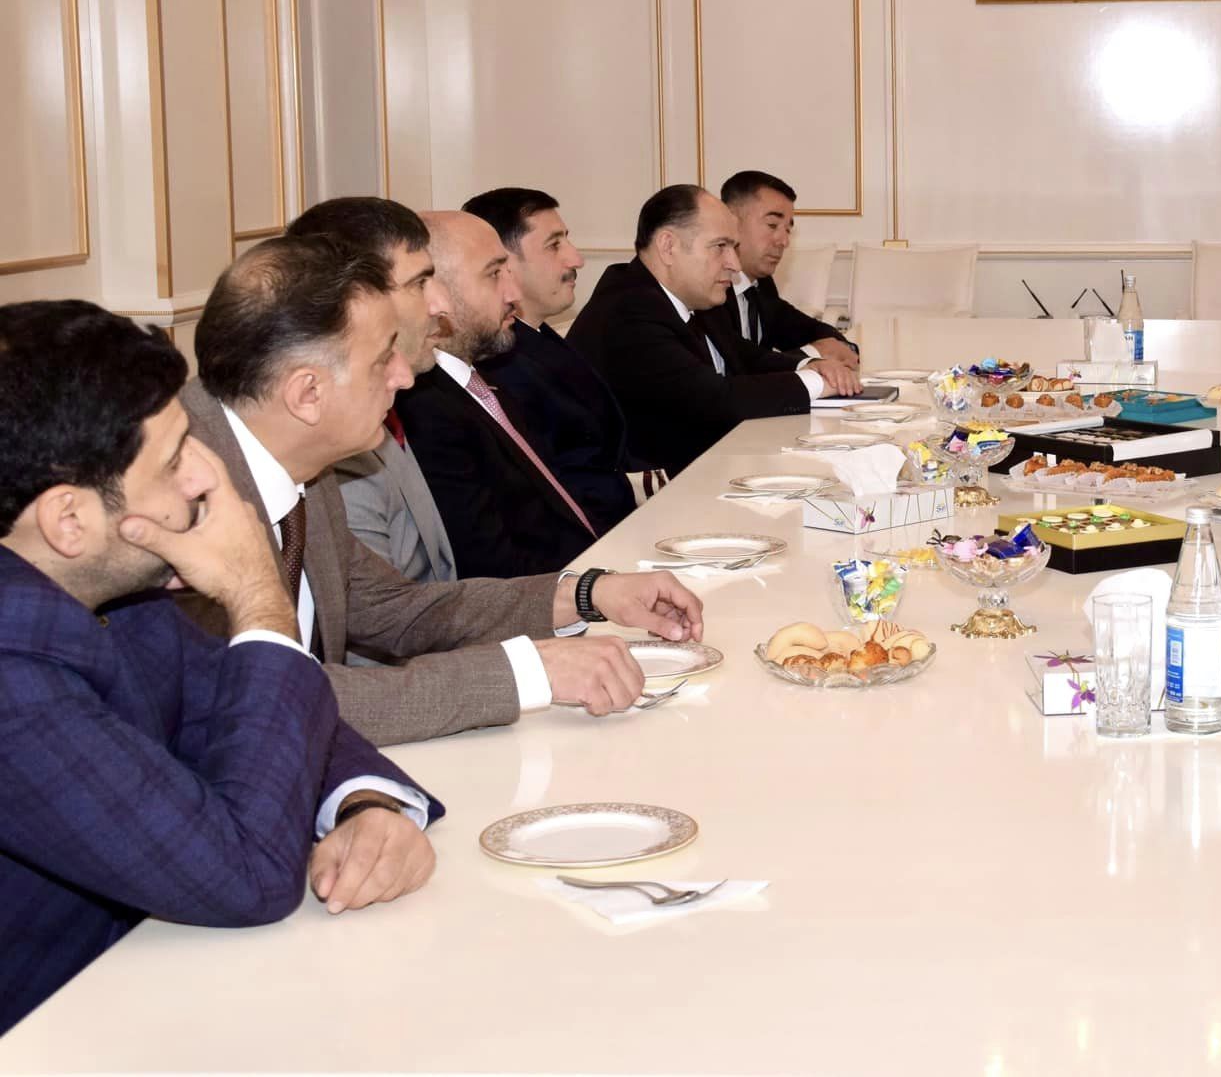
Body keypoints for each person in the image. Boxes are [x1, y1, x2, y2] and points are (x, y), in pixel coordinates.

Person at [0, 301, 439, 1033]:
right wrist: (257, 595)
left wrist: (364, 805)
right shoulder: (13, 684)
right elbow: (247, 877)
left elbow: (257, 709)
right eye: (176, 460)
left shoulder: (113, 590)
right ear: (68, 521)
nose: (208, 479)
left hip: (157, 983)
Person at [179, 235, 706, 745]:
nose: (405, 377)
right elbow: (268, 700)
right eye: (383, 358)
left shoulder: (291, 452)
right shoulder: (177, 497)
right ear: (307, 394)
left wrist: (587, 594)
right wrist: (527, 671)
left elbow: (393, 608)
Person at [568, 185, 863, 473]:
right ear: (668, 247)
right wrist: (816, 382)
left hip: (705, 460)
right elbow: (716, 400)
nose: (734, 264)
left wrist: (810, 365)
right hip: (650, 486)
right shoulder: (628, 310)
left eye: (733, 247)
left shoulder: (689, 297)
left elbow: (745, 356)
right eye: (720, 247)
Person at [392, 212, 599, 578]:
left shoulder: (478, 374)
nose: (514, 294)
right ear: (435, 290)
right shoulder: (425, 410)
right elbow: (491, 568)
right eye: (493, 274)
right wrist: (590, 590)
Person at [291, 199, 460, 583]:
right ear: (355, 300)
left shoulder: (386, 400)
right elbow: (381, 612)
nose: (442, 304)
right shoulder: (333, 439)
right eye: (419, 283)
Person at [463, 187, 649, 533]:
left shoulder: (538, 336)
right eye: (554, 245)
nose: (576, 259)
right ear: (502, 262)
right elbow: (556, 485)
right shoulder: (496, 362)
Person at [717, 170, 858, 367]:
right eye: (772, 225)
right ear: (731, 221)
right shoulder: (710, 287)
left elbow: (803, 328)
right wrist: (814, 353)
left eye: (788, 230)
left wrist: (843, 347)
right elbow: (739, 363)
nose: (784, 241)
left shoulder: (761, 285)